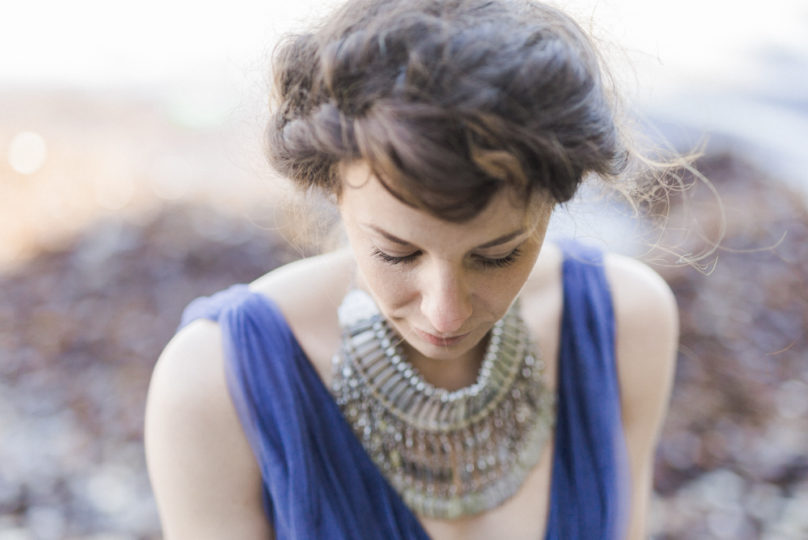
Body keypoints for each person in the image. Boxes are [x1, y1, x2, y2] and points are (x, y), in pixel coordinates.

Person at [144, 0, 678, 538]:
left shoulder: (626, 325)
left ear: (558, 198)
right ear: (331, 185)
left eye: (497, 255)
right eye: (397, 253)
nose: (446, 312)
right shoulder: (213, 384)